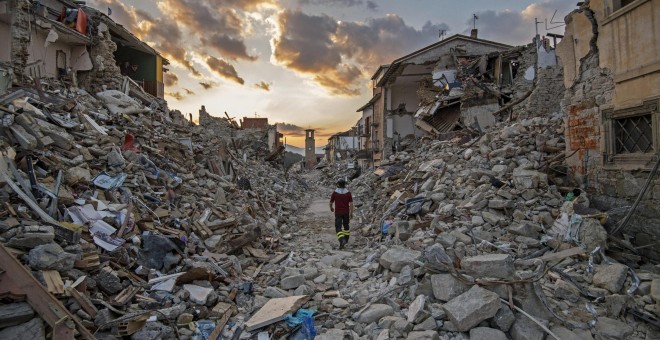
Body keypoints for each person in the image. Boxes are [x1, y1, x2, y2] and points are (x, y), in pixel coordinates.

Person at [330, 179, 353, 249]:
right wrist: (351, 213)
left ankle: (341, 240)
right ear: (344, 184)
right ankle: (346, 239)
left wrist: (331, 208)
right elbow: (351, 204)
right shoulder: (348, 193)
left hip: (338, 212)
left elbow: (331, 202)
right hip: (346, 212)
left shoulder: (335, 193)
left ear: (338, 184)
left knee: (338, 227)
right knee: (346, 226)